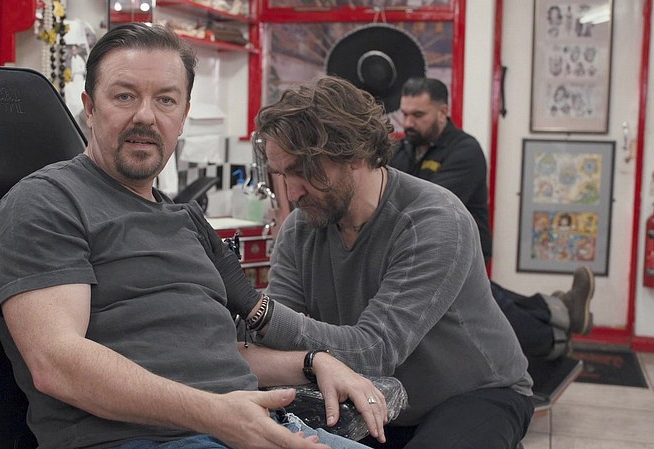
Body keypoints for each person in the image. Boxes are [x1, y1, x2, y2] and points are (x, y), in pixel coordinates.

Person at [0, 23, 389, 449]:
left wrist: (311, 362)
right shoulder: (46, 203)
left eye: (165, 99)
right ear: (90, 107)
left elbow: (207, 354)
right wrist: (216, 414)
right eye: (124, 96)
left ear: (183, 115)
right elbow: (57, 363)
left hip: (249, 426)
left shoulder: (183, 219)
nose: (145, 115)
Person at [218, 76, 534, 448]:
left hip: (474, 393)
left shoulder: (434, 221)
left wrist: (258, 310)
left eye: (304, 171)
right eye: (283, 173)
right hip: (375, 394)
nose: (293, 192)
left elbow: (374, 350)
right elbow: (277, 344)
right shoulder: (300, 230)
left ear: (355, 155)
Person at [390, 77, 594, 361]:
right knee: (490, 297)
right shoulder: (403, 149)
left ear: (443, 112)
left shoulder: (465, 150)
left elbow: (428, 204)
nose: (408, 123)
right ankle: (558, 309)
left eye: (418, 115)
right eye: (404, 114)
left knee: (484, 311)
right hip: (422, 245)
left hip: (463, 245)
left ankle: (551, 340)